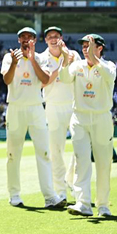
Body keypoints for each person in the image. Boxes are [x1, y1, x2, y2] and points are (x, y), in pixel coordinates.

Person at [1, 27, 64, 209]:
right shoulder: (9, 57)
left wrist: (33, 57)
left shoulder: (41, 58)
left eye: (29, 37)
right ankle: (14, 195)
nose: (25, 40)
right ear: (18, 39)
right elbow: (7, 80)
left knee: (44, 153)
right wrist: (14, 62)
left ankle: (50, 196)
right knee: (13, 154)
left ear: (35, 40)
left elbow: (44, 78)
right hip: (16, 108)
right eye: (22, 37)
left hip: (36, 108)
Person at [60, 34, 116, 217]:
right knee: (81, 161)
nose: (85, 50)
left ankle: (103, 206)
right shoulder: (77, 66)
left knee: (103, 163)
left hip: (102, 118)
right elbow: (64, 79)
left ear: (100, 48)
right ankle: (83, 203)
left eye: (89, 46)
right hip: (79, 118)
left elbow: (108, 75)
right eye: (83, 47)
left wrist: (95, 58)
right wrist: (64, 61)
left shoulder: (109, 66)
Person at [40, 26, 80, 201]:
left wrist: (68, 58)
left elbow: (80, 77)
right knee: (55, 151)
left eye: (56, 36)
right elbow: (43, 83)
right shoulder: (41, 58)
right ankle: (61, 192)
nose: (53, 39)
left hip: (73, 105)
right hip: (53, 106)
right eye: (50, 37)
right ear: (46, 40)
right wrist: (64, 62)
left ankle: (70, 180)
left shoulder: (74, 55)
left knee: (80, 147)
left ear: (62, 37)